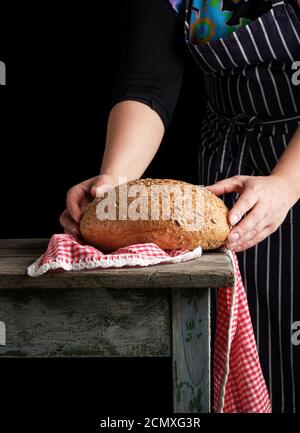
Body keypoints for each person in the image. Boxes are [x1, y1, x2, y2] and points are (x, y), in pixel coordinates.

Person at [60, 0, 300, 413]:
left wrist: (286, 181)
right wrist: (115, 181)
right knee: (250, 344)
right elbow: (148, 83)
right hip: (228, 176)